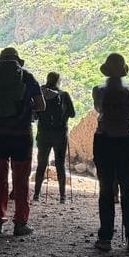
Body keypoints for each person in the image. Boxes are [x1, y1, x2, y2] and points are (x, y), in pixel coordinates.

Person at [0, 46, 44, 236]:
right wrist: (26, 108)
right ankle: (20, 223)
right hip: (22, 135)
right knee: (21, 180)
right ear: (18, 61)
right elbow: (41, 105)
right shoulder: (27, 77)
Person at [90, 53, 129, 253]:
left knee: (106, 190)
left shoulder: (98, 90)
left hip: (104, 141)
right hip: (126, 141)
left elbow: (98, 108)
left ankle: (105, 237)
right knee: (128, 189)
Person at [33, 71, 75, 203]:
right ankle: (63, 197)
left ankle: (37, 195)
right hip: (60, 134)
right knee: (60, 164)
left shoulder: (40, 94)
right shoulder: (63, 95)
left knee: (41, 164)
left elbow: (35, 115)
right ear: (58, 81)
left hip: (43, 133)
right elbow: (72, 113)